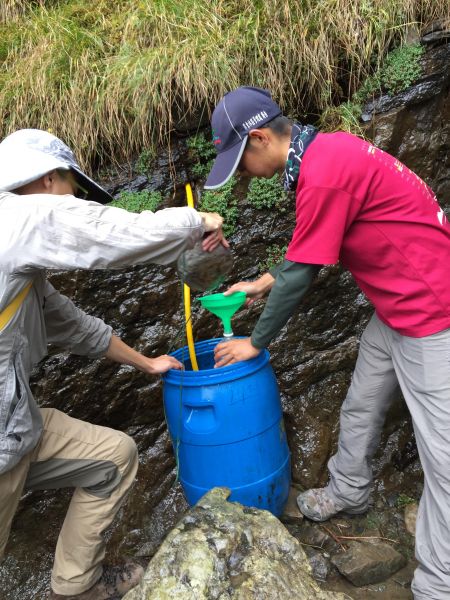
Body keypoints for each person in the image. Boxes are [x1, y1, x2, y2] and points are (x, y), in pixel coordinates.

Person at [204, 86, 450, 599]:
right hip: (395, 309)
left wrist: (255, 341)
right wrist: (258, 284)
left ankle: (436, 584)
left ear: (261, 137)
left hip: (431, 314)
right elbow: (306, 251)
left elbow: (302, 275)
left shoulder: (324, 172)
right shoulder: (325, 154)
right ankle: (350, 490)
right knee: (361, 402)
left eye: (241, 162)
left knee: (443, 462)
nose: (245, 175)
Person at [0, 128, 227, 599]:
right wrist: (194, 222)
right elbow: (104, 233)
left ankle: (77, 586)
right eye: (72, 187)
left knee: (113, 457)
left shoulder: (18, 270)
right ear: (46, 179)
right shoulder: (13, 218)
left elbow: (70, 323)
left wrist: (145, 363)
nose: (76, 199)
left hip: (14, 428)